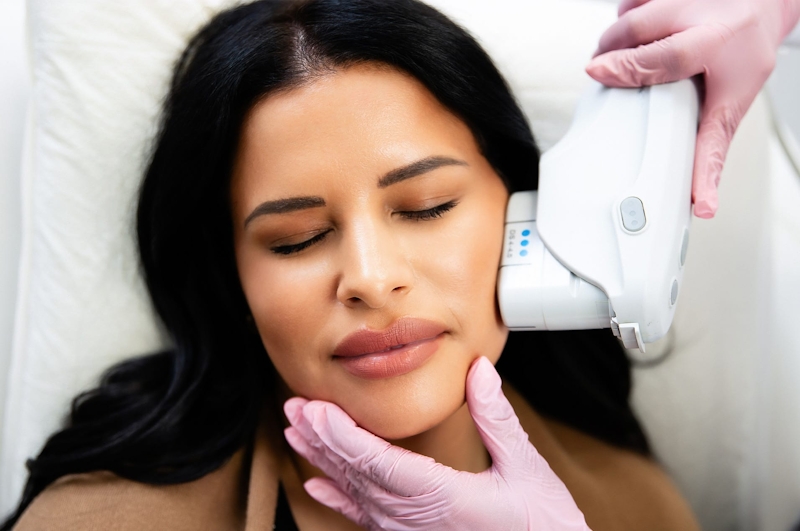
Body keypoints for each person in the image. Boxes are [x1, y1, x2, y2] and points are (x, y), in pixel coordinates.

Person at [0, 0, 794, 529]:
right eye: (297, 238)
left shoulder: (634, 506)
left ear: (528, 217)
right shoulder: (108, 518)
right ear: (234, 277)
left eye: (424, 207)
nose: (371, 278)